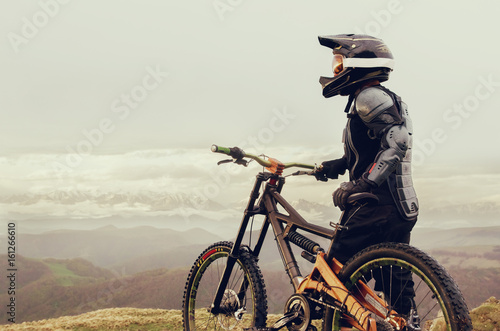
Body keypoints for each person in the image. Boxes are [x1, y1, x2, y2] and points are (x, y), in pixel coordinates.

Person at [314, 34, 420, 329]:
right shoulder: (385, 98)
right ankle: (405, 325)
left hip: (373, 207)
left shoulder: (368, 96)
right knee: (394, 282)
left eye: (339, 63)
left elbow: (397, 143)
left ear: (357, 65)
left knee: (332, 279)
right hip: (399, 207)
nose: (335, 70)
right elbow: (370, 149)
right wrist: (338, 165)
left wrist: (363, 185)